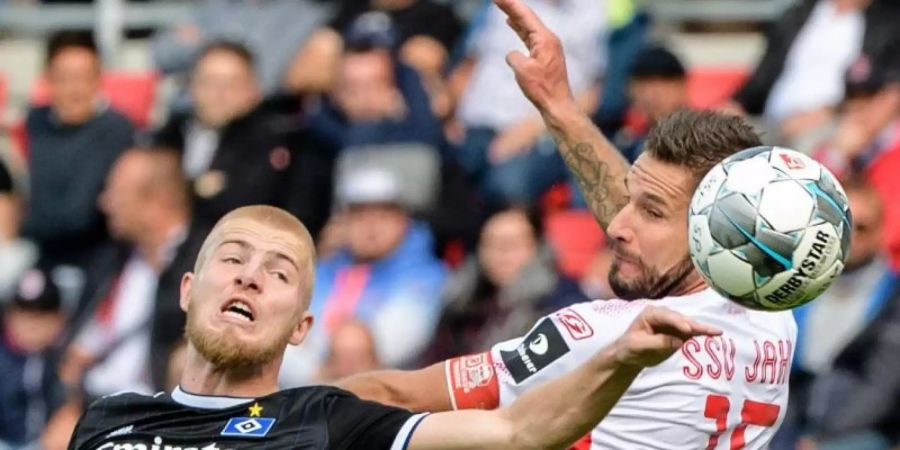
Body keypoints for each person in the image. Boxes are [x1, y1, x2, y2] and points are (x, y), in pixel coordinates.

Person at [336, 1, 797, 448]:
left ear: (714, 234)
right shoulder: (773, 315)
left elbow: (397, 396)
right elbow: (666, 221)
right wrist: (558, 106)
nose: (617, 225)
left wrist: (268, 413)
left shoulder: (607, 332)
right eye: (632, 200)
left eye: (650, 211)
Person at [67, 205, 720, 450]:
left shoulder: (324, 419)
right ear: (188, 290)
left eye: (278, 273)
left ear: (302, 328)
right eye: (233, 259)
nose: (248, 277)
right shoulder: (106, 420)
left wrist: (622, 359)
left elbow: (517, 431)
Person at [154, 41, 334, 237]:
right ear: (191, 87)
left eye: (233, 83)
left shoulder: (283, 145)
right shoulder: (164, 140)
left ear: (254, 90)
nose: (220, 93)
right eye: (210, 82)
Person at [22, 31, 134, 270]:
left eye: (84, 77)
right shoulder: (36, 122)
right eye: (64, 78)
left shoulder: (116, 129)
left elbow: (80, 216)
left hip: (94, 260)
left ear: (98, 78)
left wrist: (25, 225)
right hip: (38, 254)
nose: (75, 89)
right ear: (48, 79)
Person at [421, 206, 587, 363]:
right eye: (490, 244)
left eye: (510, 245)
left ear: (539, 247)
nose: (499, 254)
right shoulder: (461, 299)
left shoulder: (563, 306)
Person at [0, 269, 67, 448]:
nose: (31, 328)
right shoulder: (3, 358)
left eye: (41, 318)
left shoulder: (64, 356)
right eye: (23, 317)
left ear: (60, 319)